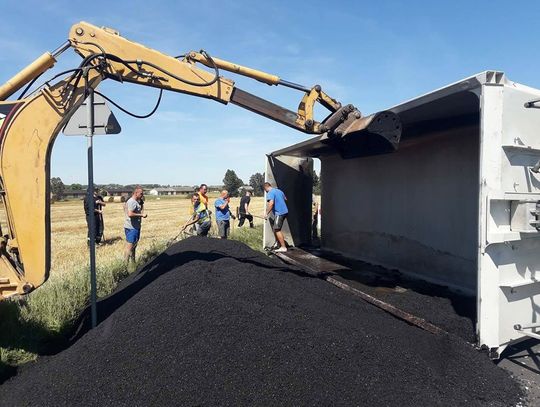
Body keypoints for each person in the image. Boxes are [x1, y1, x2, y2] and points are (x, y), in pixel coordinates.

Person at [124, 186, 147, 264]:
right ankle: (125, 265)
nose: (142, 195)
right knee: (129, 246)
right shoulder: (132, 202)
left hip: (135, 227)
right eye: (141, 193)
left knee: (134, 245)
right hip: (132, 227)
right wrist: (141, 215)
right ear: (136, 193)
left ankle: (133, 262)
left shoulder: (136, 201)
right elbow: (130, 214)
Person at [264, 182, 288, 252]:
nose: (266, 192)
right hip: (285, 211)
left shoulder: (270, 192)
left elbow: (271, 203)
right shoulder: (279, 191)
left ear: (266, 188)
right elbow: (285, 199)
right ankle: (278, 242)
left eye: (265, 190)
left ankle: (283, 247)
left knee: (277, 229)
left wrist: (266, 213)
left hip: (279, 213)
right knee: (276, 228)